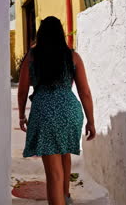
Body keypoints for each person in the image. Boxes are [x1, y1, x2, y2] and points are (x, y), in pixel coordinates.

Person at [17, 16, 96, 205]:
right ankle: (65, 197)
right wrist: (91, 121)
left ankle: (60, 199)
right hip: (70, 112)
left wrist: (21, 114)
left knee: (54, 174)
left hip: (44, 112)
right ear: (60, 34)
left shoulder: (33, 56)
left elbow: (22, 90)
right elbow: (84, 92)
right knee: (65, 152)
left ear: (40, 35)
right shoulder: (72, 56)